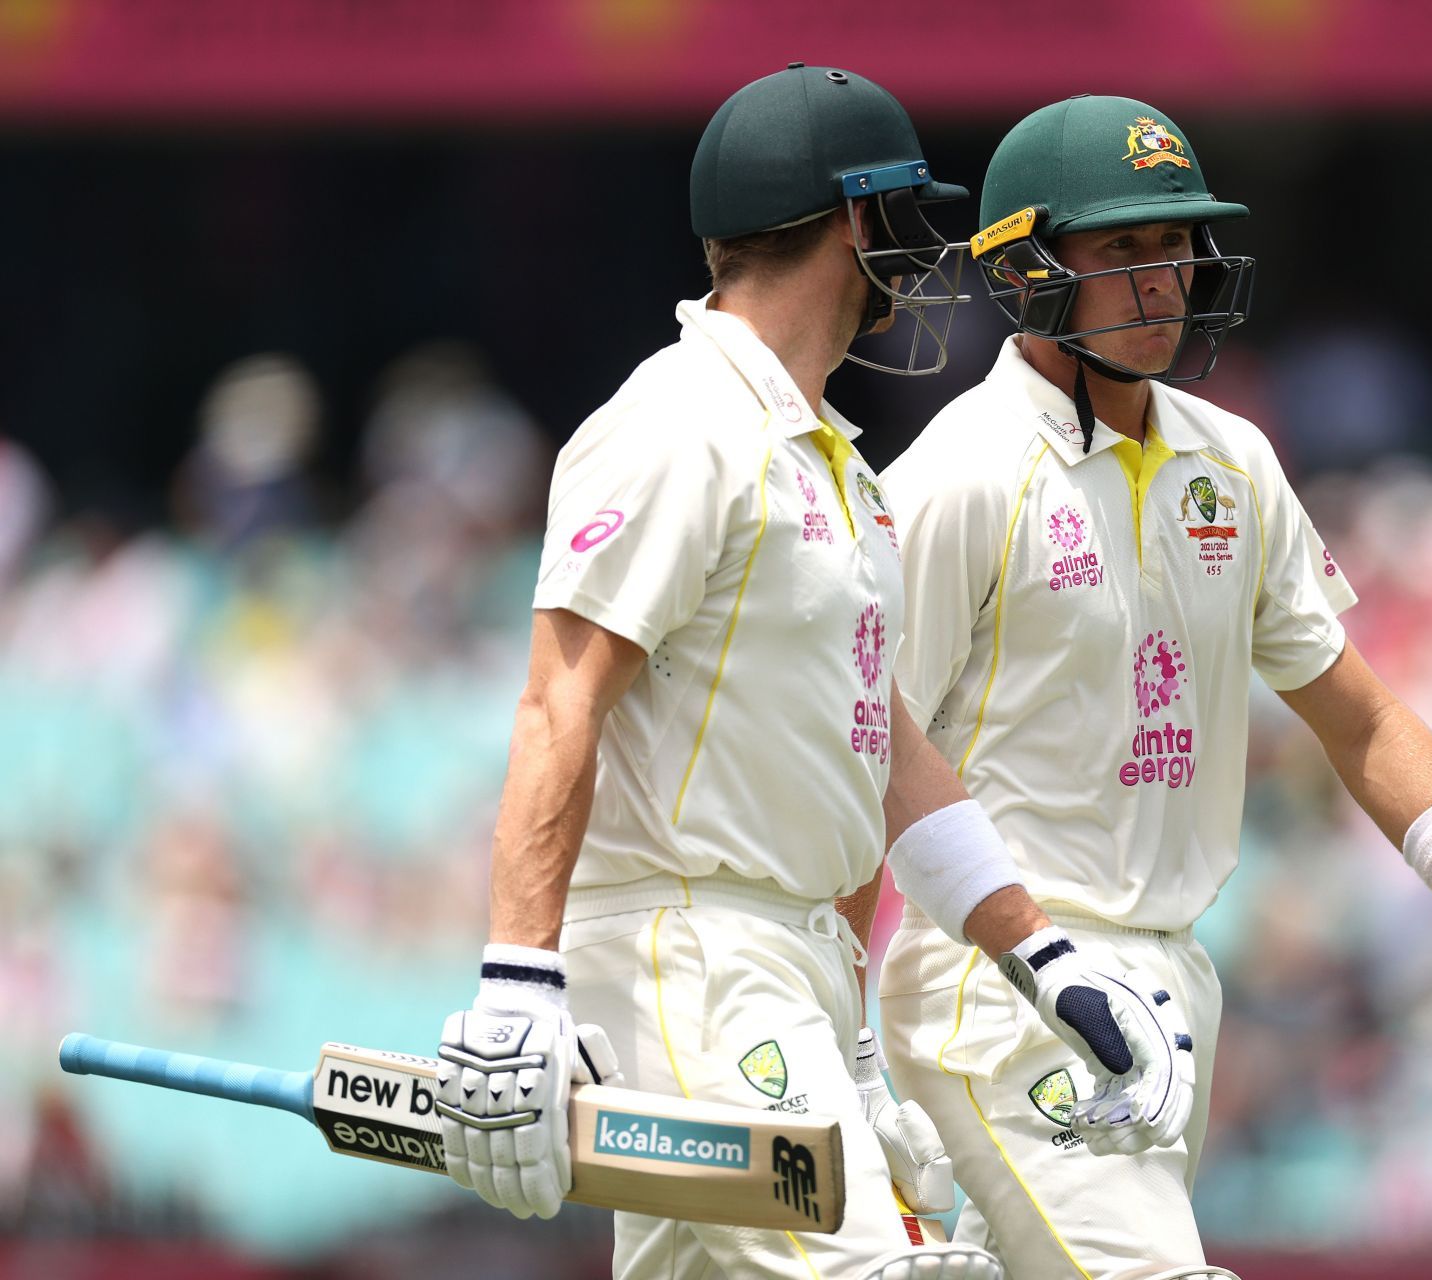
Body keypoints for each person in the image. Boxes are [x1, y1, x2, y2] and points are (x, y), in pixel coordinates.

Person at [876, 94, 1432, 1279]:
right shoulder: (958, 477)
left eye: (1175, 244)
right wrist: (849, 1034)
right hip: (1003, 984)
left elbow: (1363, 717)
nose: (1165, 279)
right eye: (1122, 250)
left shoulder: (1231, 461)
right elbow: (867, 745)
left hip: (1174, 985)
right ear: (1027, 267)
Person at [430, 68, 1193, 1280]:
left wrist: (1042, 957)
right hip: (692, 960)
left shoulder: (833, 462)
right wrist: (521, 982)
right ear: (854, 220)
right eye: (906, 216)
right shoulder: (681, 421)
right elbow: (560, 695)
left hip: (790, 973)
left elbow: (876, 745)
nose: (921, 253)